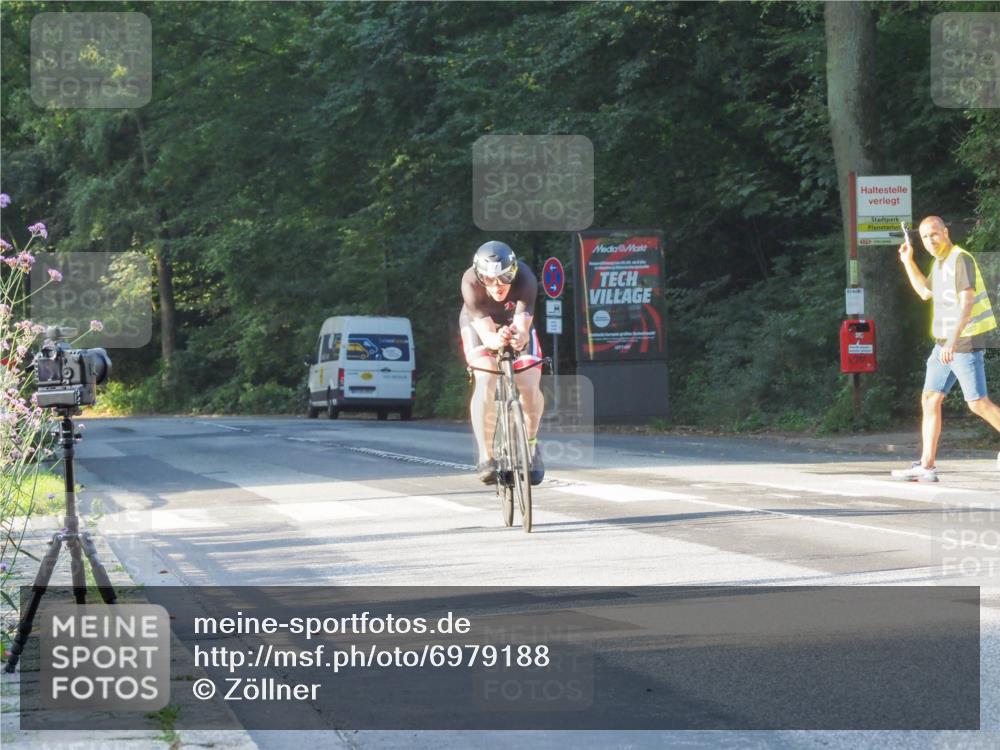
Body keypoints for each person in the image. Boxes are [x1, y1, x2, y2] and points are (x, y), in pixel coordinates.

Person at [892, 215, 1000, 482]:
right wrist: (908, 261)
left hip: (963, 341)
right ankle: (926, 466)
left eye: (934, 234)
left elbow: (967, 302)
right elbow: (924, 292)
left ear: (946, 232)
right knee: (930, 398)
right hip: (943, 344)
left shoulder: (959, 259)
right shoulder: (940, 264)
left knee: (977, 403)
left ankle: (927, 465)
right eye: (925, 237)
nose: (930, 241)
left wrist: (952, 340)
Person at [459, 240, 545, 485]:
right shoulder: (470, 282)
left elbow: (522, 328)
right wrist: (495, 340)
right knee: (485, 378)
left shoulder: (526, 279)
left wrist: (518, 336)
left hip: (513, 321)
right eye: (489, 280)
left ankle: (530, 444)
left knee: (529, 383)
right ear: (479, 276)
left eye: (505, 278)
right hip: (479, 324)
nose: (497, 286)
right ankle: (486, 456)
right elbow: (487, 336)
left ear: (514, 272)